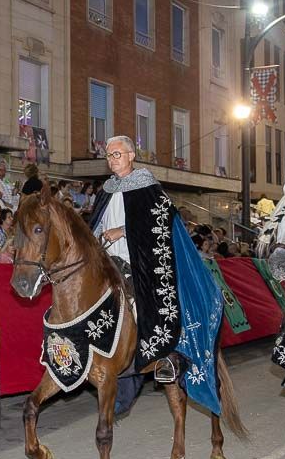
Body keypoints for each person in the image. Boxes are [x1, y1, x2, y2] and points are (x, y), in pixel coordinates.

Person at [88, 135, 222, 389]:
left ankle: (165, 355)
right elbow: (94, 224)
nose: (112, 159)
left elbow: (161, 220)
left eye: (117, 154)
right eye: (109, 155)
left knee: (150, 298)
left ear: (131, 156)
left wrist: (123, 230)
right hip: (106, 260)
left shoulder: (146, 185)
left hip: (138, 259)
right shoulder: (105, 190)